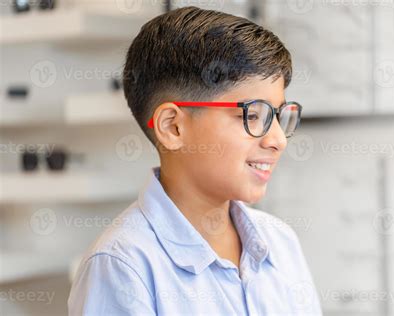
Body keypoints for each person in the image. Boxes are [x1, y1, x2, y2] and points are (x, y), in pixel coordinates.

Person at [68, 6, 322, 315]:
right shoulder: (123, 265)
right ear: (172, 127)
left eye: (279, 116)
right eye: (253, 115)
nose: (278, 139)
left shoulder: (280, 242)